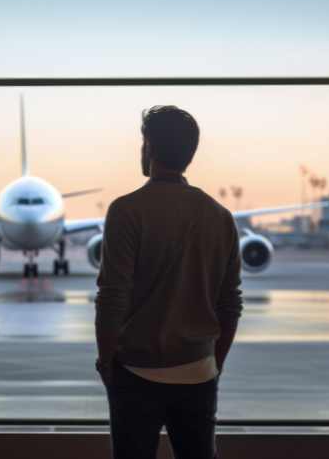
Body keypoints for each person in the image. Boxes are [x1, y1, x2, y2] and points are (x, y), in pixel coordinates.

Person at [95, 106, 243, 459]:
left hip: (136, 369)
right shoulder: (220, 217)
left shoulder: (126, 210)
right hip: (199, 370)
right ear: (189, 153)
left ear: (148, 146)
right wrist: (214, 363)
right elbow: (230, 305)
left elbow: (112, 297)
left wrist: (106, 361)